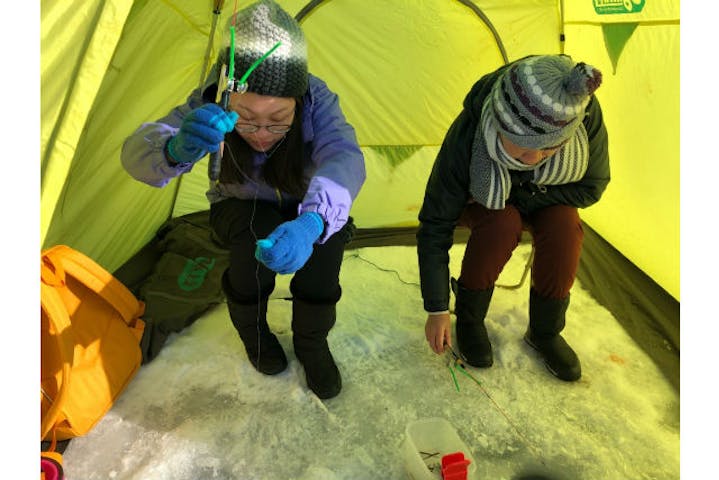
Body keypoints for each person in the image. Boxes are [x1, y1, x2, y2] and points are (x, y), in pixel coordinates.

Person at [121, 0, 365, 399]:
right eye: (246, 117)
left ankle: (311, 341)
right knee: (255, 238)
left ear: (298, 99)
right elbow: (135, 155)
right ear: (229, 94)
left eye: (279, 118)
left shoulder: (318, 100)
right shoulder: (210, 100)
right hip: (237, 206)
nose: (262, 132)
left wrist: (314, 220)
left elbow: (344, 156)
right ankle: (254, 334)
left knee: (326, 249)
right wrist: (173, 150)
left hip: (306, 204)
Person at [417, 54, 609, 382]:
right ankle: (469, 318)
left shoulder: (582, 112)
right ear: (500, 123)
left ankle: (545, 331)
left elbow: (592, 186)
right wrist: (436, 308)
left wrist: (526, 193)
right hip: (483, 197)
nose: (533, 159)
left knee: (565, 227)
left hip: (548, 196)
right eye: (520, 149)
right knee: (502, 222)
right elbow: (435, 223)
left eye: (549, 151)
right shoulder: (470, 133)